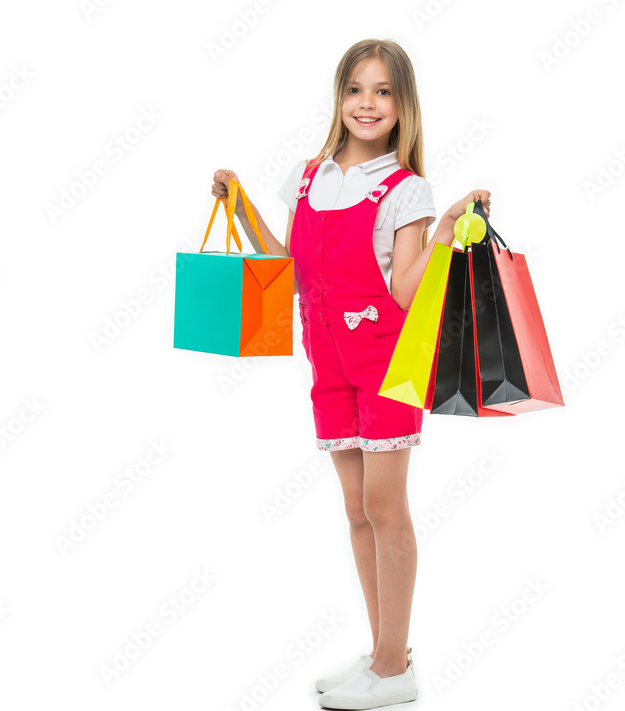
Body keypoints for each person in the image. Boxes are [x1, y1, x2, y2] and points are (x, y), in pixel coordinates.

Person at [211, 38, 490, 710]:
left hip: (387, 364)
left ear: (404, 106)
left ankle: (395, 668)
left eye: (384, 92)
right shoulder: (310, 176)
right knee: (356, 510)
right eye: (357, 89)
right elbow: (287, 267)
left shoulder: (406, 187)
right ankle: (380, 656)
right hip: (327, 362)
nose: (369, 103)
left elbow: (403, 292)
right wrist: (240, 200)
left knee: (385, 508)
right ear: (340, 97)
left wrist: (447, 224)